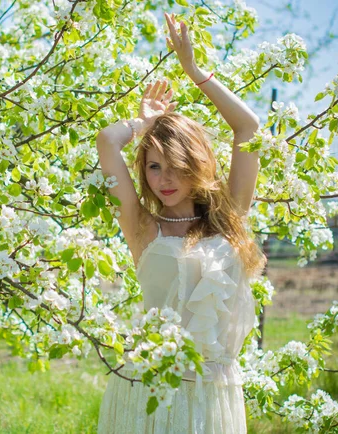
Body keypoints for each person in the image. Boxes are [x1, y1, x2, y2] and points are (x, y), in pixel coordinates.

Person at [95, 12, 268, 434]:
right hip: (147, 392)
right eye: (154, 167)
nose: (164, 179)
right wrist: (145, 124)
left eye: (176, 165)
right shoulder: (141, 226)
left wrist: (193, 70)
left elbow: (248, 127)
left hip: (215, 397)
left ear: (199, 164)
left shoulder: (230, 218)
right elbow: (106, 140)